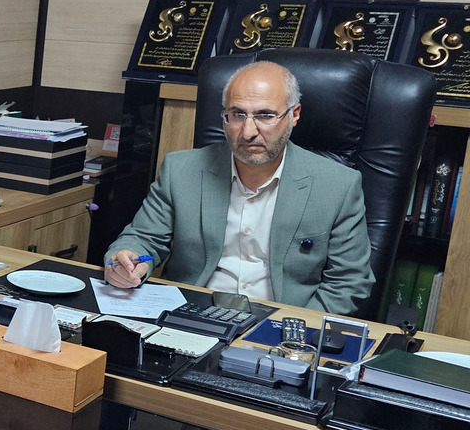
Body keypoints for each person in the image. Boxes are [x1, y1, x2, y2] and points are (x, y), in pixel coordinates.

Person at [104, 61, 372, 314]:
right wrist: (125, 260)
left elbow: (349, 282)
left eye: (265, 115)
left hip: (279, 324)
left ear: (294, 115)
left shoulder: (338, 185)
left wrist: (291, 329)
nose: (248, 132)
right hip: (191, 315)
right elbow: (143, 238)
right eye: (237, 115)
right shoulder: (181, 170)